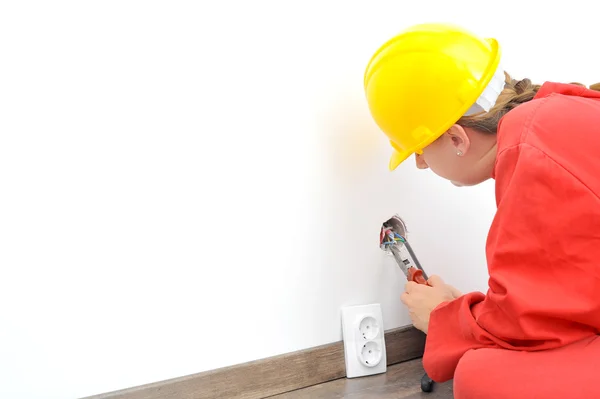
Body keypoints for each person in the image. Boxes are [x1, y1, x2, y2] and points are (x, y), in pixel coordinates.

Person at [363, 23, 600, 398]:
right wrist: (471, 313)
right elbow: (569, 299)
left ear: (457, 138)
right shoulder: (556, 116)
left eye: (420, 150)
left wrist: (443, 319)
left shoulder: (530, 142)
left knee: (482, 376)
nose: (421, 165)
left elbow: (533, 325)